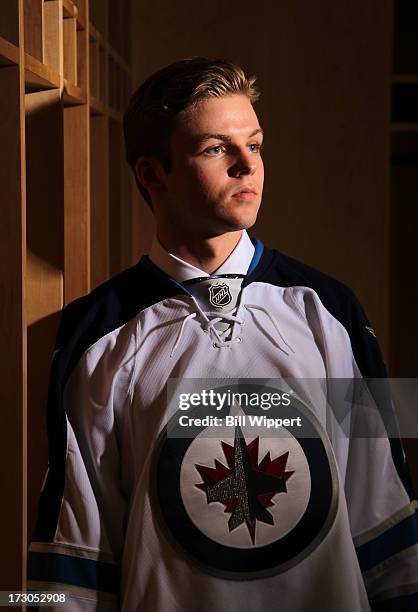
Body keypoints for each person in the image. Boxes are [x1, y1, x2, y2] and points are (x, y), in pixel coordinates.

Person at [28, 58, 418, 611]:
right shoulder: (92, 331)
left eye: (254, 145)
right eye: (216, 149)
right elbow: (75, 546)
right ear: (152, 174)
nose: (247, 167)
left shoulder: (333, 309)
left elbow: (387, 514)